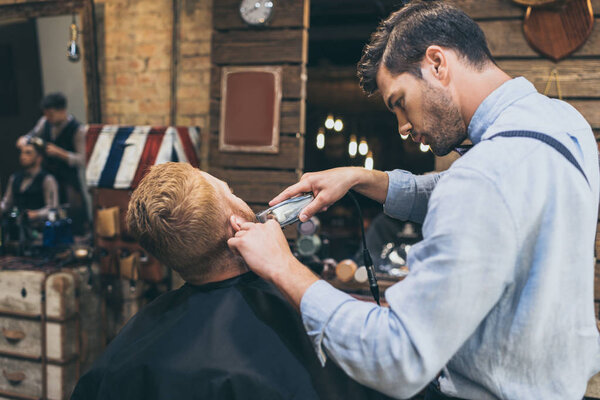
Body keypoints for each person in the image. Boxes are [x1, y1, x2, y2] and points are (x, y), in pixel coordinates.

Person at [227, 2, 600, 399]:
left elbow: (395, 357)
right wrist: (364, 178)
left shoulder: (483, 178)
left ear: (437, 63)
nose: (403, 127)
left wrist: (283, 267)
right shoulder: (563, 122)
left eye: (399, 102)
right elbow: (493, 197)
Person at [71, 162, 390, 400]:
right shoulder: (294, 319)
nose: (239, 198)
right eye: (231, 192)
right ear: (237, 224)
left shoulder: (133, 345)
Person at [18, 92, 88, 232]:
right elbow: (31, 135)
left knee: (71, 214)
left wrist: (60, 153)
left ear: (62, 111)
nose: (47, 118)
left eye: (51, 114)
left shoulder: (77, 130)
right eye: (45, 114)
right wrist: (24, 140)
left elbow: (82, 159)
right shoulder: (45, 122)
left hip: (67, 179)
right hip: (49, 175)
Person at [0, 140, 58, 222]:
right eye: (22, 153)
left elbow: (52, 208)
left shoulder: (47, 179)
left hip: (38, 229)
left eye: (28, 153)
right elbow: (6, 204)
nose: (22, 156)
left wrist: (37, 214)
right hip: (17, 227)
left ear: (39, 158)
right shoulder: (15, 178)